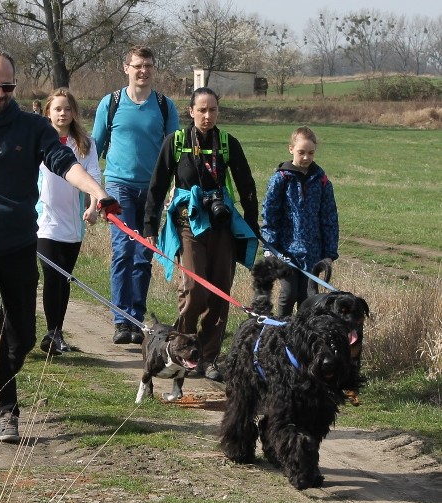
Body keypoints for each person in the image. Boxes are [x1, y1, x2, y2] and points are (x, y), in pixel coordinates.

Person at [0, 50, 118, 443]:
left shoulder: (32, 127)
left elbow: (65, 162)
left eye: (7, 86)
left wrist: (97, 192)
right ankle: (6, 409)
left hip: (18, 243)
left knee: (25, 335)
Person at [143, 87, 260, 382]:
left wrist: (252, 222)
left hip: (222, 227)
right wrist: (149, 226)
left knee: (220, 292)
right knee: (196, 292)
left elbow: (246, 185)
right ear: (191, 111)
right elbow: (157, 187)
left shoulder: (227, 143)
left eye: (213, 110)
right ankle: (180, 348)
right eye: (202, 110)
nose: (208, 116)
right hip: (188, 224)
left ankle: (206, 358)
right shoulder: (177, 142)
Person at [92, 45, 180, 346]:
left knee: (143, 255)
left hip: (152, 191)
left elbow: (175, 153)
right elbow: (95, 147)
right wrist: (94, 192)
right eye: (138, 65)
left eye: (149, 66)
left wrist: (171, 188)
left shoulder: (166, 106)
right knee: (123, 251)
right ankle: (121, 320)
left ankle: (136, 319)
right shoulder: (111, 103)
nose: (143, 71)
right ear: (126, 68)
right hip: (119, 186)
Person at [36, 88, 102, 356]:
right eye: (57, 109)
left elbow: (94, 175)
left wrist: (94, 206)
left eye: (67, 109)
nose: (62, 113)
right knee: (52, 278)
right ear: (48, 112)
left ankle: (58, 331)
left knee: (64, 280)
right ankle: (51, 334)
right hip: (44, 223)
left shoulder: (84, 143)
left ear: (74, 112)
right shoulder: (39, 141)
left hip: (72, 225)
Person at [261, 126, 339, 317]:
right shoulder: (280, 179)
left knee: (308, 298)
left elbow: (329, 217)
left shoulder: (322, 181)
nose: (306, 157)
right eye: (301, 152)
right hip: (286, 252)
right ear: (291, 149)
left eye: (310, 153)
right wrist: (270, 247)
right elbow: (270, 214)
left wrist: (329, 253)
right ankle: (281, 330)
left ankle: (302, 337)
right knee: (288, 294)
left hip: (313, 252)